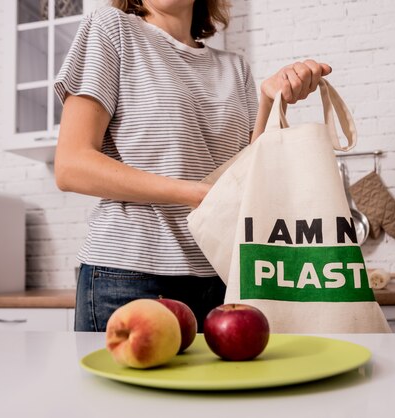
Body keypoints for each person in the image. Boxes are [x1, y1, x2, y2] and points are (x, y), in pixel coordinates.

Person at [53, 0, 332, 332]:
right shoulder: (112, 29)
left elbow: (249, 181)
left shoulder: (235, 68)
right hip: (129, 278)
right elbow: (71, 165)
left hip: (222, 280)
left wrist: (270, 102)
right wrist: (195, 193)